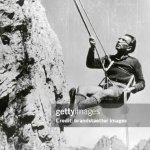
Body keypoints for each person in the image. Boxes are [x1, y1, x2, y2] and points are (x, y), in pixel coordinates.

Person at [69, 34, 145, 109]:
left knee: (102, 93)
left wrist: (132, 88)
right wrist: (92, 48)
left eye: (123, 40)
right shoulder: (109, 58)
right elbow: (90, 64)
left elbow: (141, 83)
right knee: (82, 88)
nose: (119, 41)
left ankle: (75, 107)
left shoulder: (134, 62)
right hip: (106, 88)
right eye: (119, 39)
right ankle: (72, 111)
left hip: (120, 92)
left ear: (129, 47)